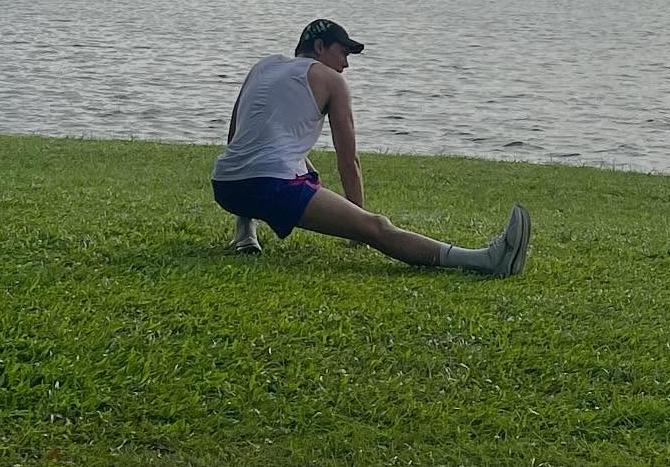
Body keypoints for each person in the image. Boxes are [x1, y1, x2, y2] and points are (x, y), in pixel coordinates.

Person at [211, 18, 531, 275]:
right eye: (343, 53)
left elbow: (237, 137)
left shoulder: (264, 66)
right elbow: (348, 161)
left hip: (225, 186)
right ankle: (488, 260)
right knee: (376, 227)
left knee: (302, 171)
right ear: (320, 47)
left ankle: (245, 228)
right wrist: (357, 223)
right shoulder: (331, 80)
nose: (346, 64)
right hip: (269, 188)